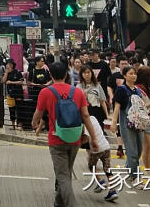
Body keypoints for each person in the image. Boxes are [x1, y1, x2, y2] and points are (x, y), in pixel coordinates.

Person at [31, 61, 99, 207]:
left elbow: (38, 113)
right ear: (66, 75)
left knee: (62, 176)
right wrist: (93, 138)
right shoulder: (77, 92)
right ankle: (58, 203)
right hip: (75, 138)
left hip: (56, 139)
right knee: (66, 173)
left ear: (50, 75)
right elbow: (86, 116)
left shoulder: (46, 92)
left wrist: (34, 123)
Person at [109, 65, 144, 182]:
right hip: (126, 123)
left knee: (139, 150)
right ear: (124, 76)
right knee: (132, 151)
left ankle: (129, 168)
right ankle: (135, 176)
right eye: (130, 73)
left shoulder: (138, 90)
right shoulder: (121, 89)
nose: (133, 76)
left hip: (138, 123)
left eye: (135, 73)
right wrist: (114, 123)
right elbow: (117, 106)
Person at [82, 114, 118, 203]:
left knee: (91, 166)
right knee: (108, 170)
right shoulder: (94, 118)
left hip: (96, 149)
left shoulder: (85, 123)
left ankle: (100, 181)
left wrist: (78, 143)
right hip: (106, 146)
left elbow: (86, 138)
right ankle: (113, 191)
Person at [77, 65, 109, 129]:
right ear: (81, 74)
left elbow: (102, 101)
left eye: (88, 72)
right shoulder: (78, 86)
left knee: (98, 130)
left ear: (91, 73)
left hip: (97, 111)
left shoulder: (97, 85)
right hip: (84, 111)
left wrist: (107, 115)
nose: (87, 74)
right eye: (84, 73)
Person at [3, 59, 24, 127]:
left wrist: (12, 82)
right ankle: (13, 125)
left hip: (18, 93)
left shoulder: (17, 72)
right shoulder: (6, 73)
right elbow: (3, 81)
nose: (7, 65)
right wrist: (6, 73)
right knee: (11, 110)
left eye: (9, 64)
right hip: (10, 94)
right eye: (7, 64)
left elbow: (21, 82)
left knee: (19, 109)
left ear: (12, 65)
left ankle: (20, 124)